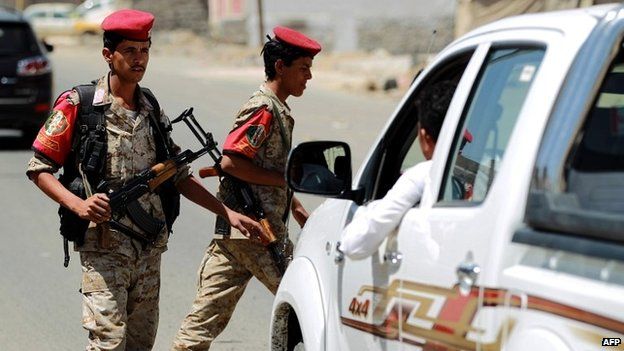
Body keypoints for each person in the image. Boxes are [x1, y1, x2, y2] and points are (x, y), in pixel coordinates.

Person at [26, 9, 262, 350]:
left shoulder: (150, 105)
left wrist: (228, 213)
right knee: (108, 342)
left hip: (149, 246)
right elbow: (39, 167)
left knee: (140, 343)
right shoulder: (80, 104)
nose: (139, 59)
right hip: (104, 245)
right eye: (130, 51)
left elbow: (177, 174)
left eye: (145, 50)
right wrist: (79, 205)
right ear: (109, 54)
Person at [172, 26, 321, 350]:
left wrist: (292, 204)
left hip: (238, 233)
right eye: (303, 69)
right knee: (308, 305)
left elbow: (263, 166)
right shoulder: (264, 109)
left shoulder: (277, 108)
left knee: (201, 324)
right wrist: (285, 182)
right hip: (258, 231)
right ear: (280, 66)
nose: (308, 77)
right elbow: (231, 163)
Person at [339, 80, 457, 259]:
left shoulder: (423, 175)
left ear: (424, 135)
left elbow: (354, 245)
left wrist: (373, 208)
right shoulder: (479, 175)